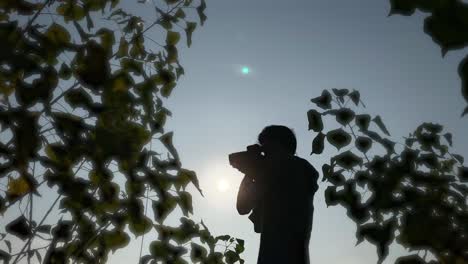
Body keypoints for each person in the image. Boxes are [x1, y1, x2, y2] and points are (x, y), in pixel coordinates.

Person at [236, 125, 319, 264]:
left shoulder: (294, 168)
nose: (263, 151)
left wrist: (253, 169)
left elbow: (244, 206)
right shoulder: (277, 172)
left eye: (265, 146)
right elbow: (243, 207)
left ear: (279, 144)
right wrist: (250, 172)